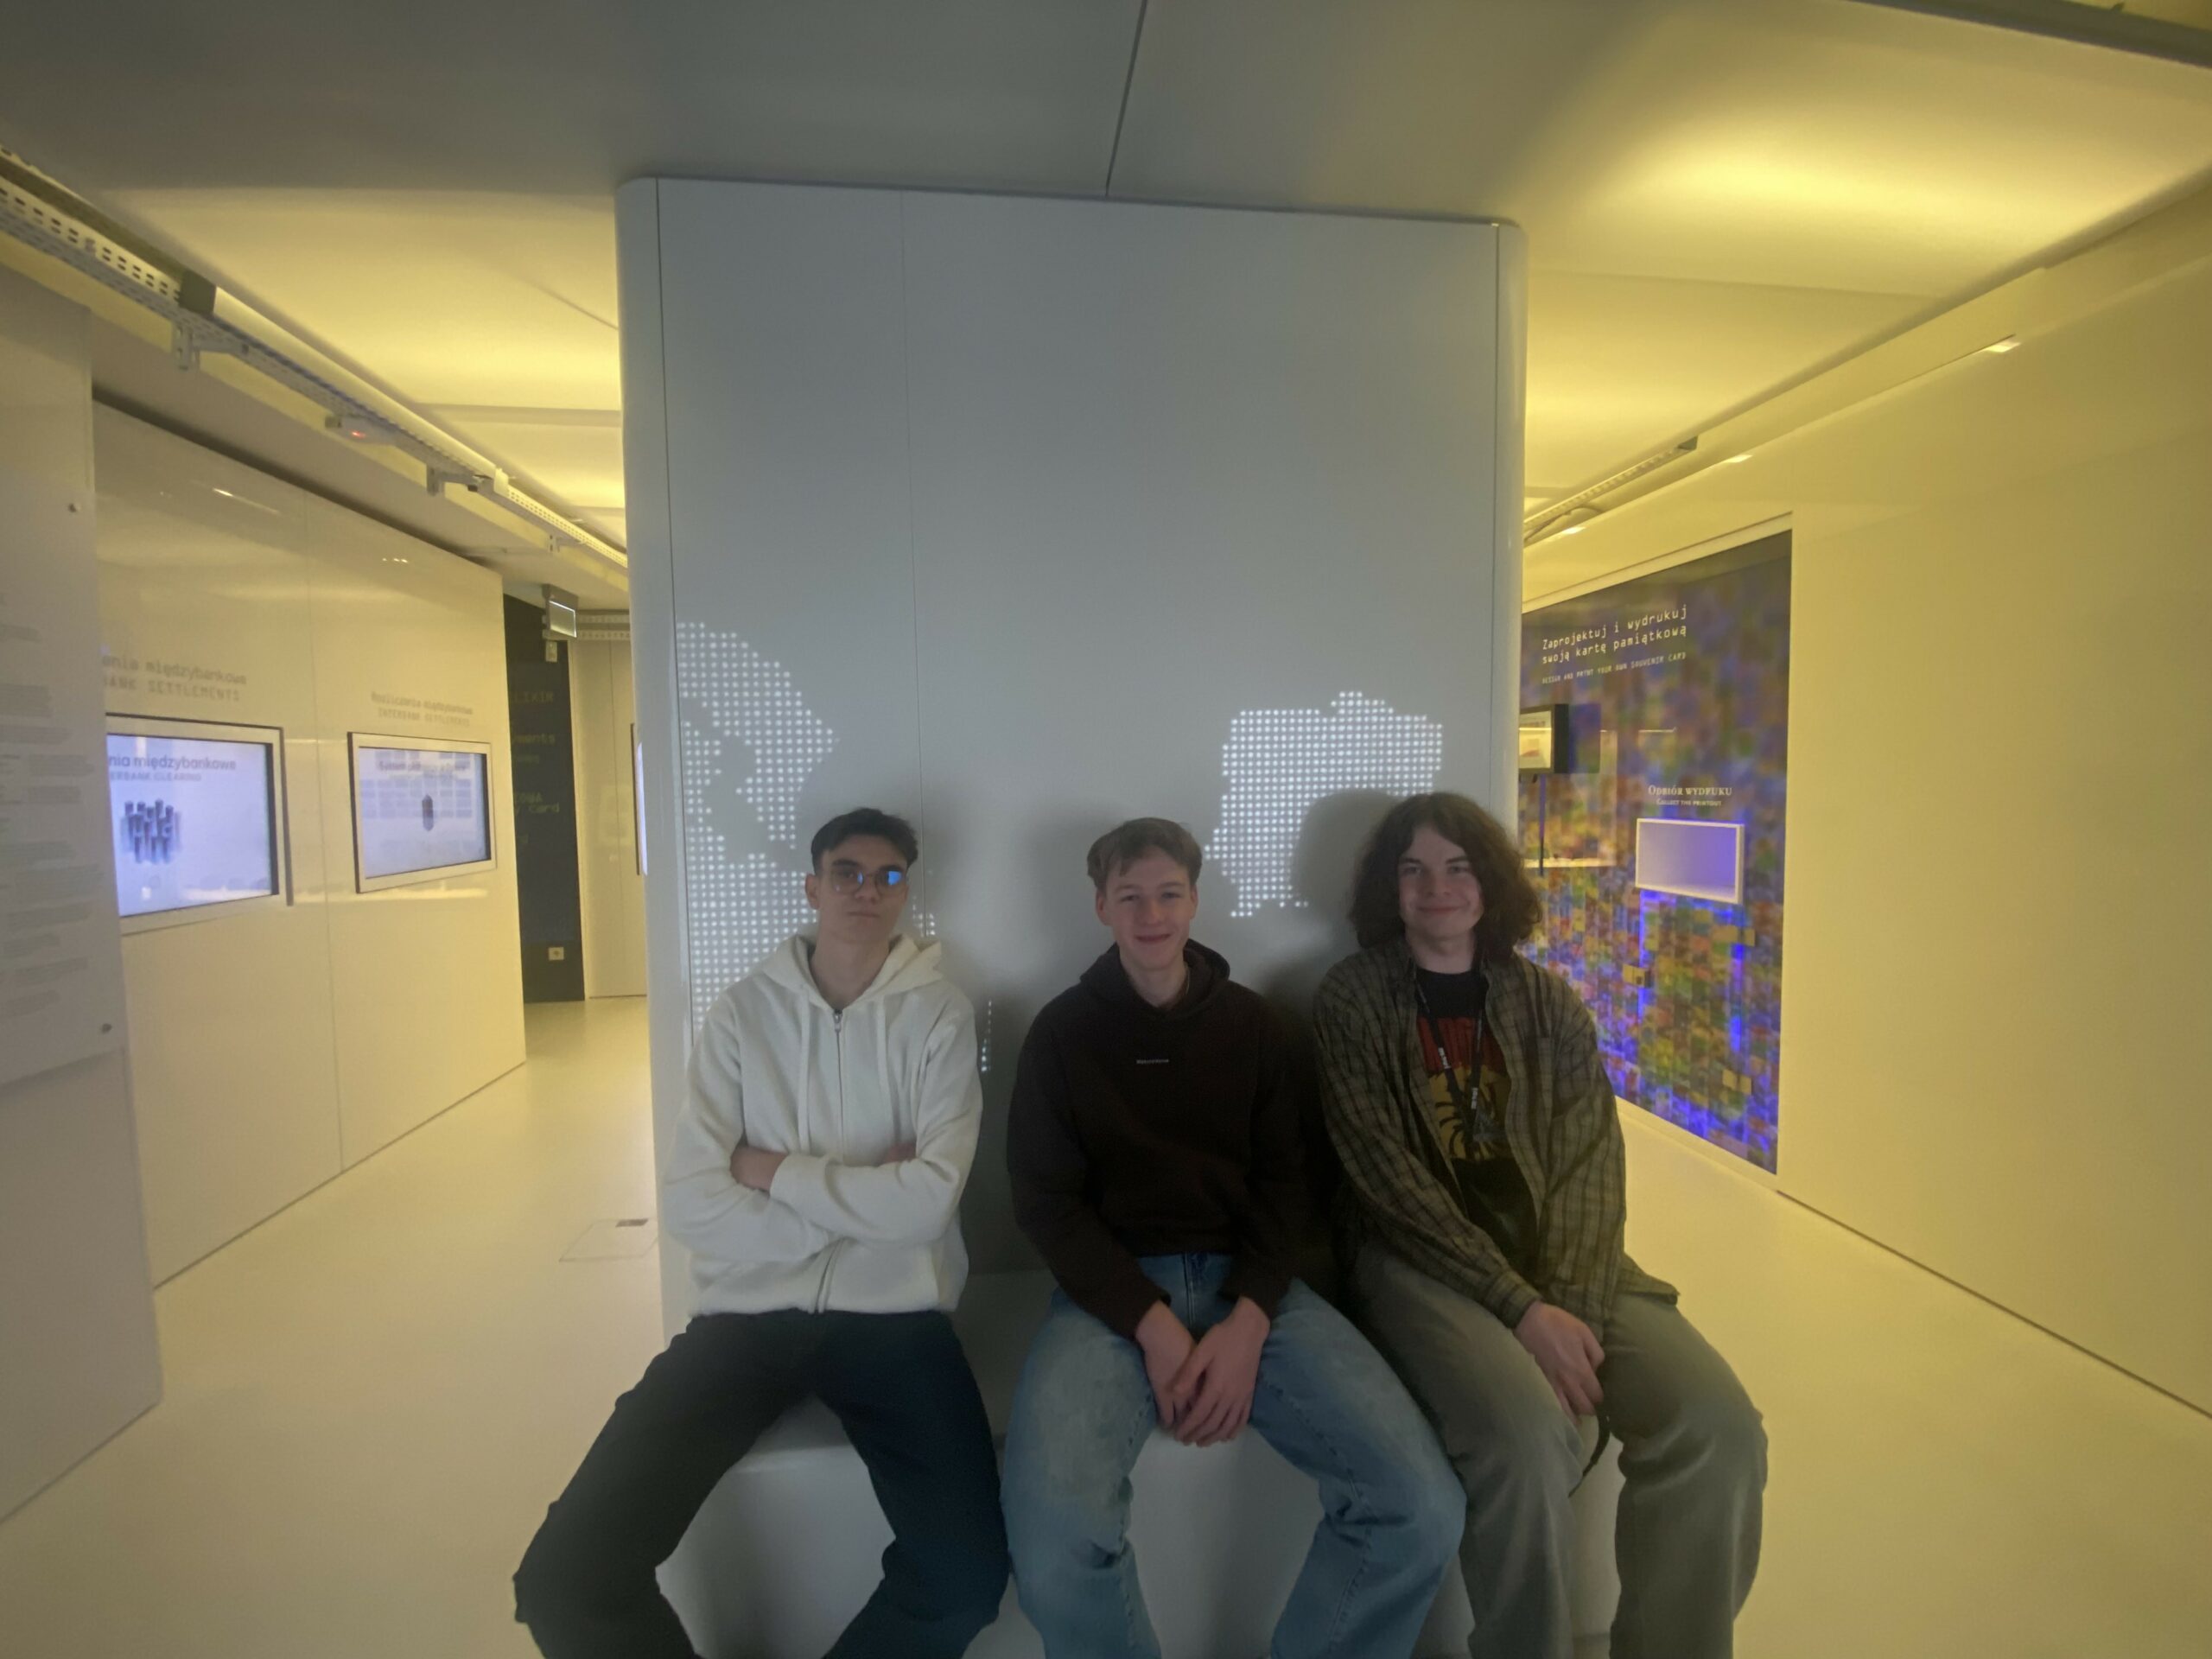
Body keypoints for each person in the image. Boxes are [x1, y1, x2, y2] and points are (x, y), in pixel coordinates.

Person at [513, 808, 1008, 1659]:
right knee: (565, 1577)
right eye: (847, 872)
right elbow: (690, 1205)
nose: (867, 890)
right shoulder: (742, 1015)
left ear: (905, 894)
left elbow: (928, 1206)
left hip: (894, 1325)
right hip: (741, 1323)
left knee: (964, 1575)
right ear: (813, 887)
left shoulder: (938, 1016)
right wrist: (864, 1203)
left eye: (888, 876)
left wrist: (772, 1171)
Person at [1313, 791, 1765, 1659]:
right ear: (1388, 889)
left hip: (1566, 1266)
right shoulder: (1353, 1000)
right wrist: (1523, 1311)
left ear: (1489, 883)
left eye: (1458, 867)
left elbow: (1594, 1167)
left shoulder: (1548, 1004)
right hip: (1420, 1267)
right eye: (1414, 870)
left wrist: (1572, 1317)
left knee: (1718, 1425)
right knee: (1523, 1438)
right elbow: (1388, 1185)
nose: (1437, 888)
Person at [1001, 817, 1463, 1659]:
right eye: (1131, 897)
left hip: (1255, 1291)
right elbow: (1046, 1205)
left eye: (1168, 894)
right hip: (1109, 1300)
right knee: (1053, 1535)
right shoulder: (1061, 1035)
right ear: (1100, 906)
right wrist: (1152, 1325)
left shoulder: (1254, 1027)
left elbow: (1291, 1185)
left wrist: (1249, 1319)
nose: (1152, 915)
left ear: (1194, 900)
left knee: (1420, 1506)